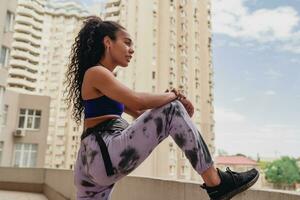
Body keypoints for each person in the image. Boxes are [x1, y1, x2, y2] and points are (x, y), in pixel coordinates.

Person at [64, 16, 259, 200]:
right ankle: (216, 182)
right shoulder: (96, 72)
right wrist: (173, 97)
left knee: (172, 110)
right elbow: (137, 101)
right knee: (172, 108)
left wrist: (173, 112)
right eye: (127, 42)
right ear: (108, 42)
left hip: (89, 161)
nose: (132, 49)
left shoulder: (103, 79)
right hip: (103, 152)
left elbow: (141, 114)